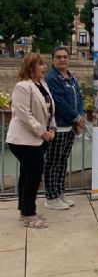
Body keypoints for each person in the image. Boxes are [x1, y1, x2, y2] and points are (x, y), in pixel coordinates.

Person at [7, 53, 56, 228]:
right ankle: (29, 214)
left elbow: (49, 110)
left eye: (44, 64)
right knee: (34, 173)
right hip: (22, 140)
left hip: (36, 139)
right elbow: (24, 115)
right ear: (30, 67)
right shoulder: (22, 86)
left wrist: (52, 128)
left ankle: (25, 210)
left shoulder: (42, 84)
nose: (44, 67)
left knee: (27, 174)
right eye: (40, 64)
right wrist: (43, 133)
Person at [44, 47, 84, 210]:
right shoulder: (52, 78)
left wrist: (79, 117)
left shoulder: (71, 77)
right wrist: (76, 117)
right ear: (53, 59)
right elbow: (59, 103)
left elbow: (79, 98)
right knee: (52, 163)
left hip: (70, 127)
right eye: (58, 57)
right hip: (58, 127)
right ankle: (51, 197)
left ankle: (60, 192)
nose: (62, 60)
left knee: (62, 162)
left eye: (65, 57)